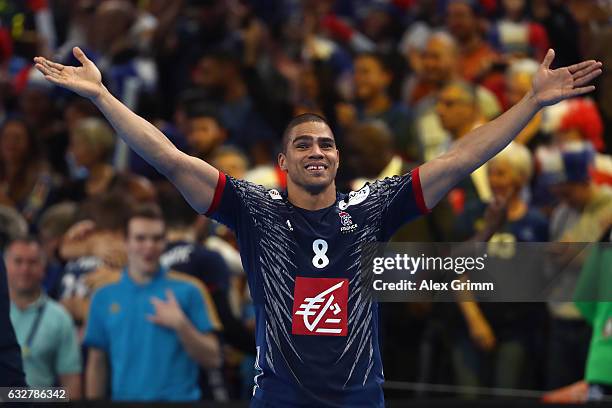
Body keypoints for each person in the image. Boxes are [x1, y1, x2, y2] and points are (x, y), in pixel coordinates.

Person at [34, 46, 601, 407]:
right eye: (303, 143)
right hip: (279, 396)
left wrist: (529, 103)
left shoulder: (372, 204)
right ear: (284, 162)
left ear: (338, 158)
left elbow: (457, 160)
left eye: (326, 143)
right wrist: (103, 96)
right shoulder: (256, 209)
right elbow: (175, 161)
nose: (316, 150)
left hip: (360, 398)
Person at [83, 204, 222, 401]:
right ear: (125, 242)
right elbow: (96, 363)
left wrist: (182, 326)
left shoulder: (190, 290)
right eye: (140, 238)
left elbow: (213, 358)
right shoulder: (103, 296)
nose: (149, 246)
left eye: (156, 239)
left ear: (165, 241)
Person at [5, 237, 82, 397]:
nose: (25, 269)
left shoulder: (60, 317)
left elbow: (70, 382)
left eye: (32, 262)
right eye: (18, 262)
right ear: (4, 266)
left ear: (43, 268)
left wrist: (31, 397)